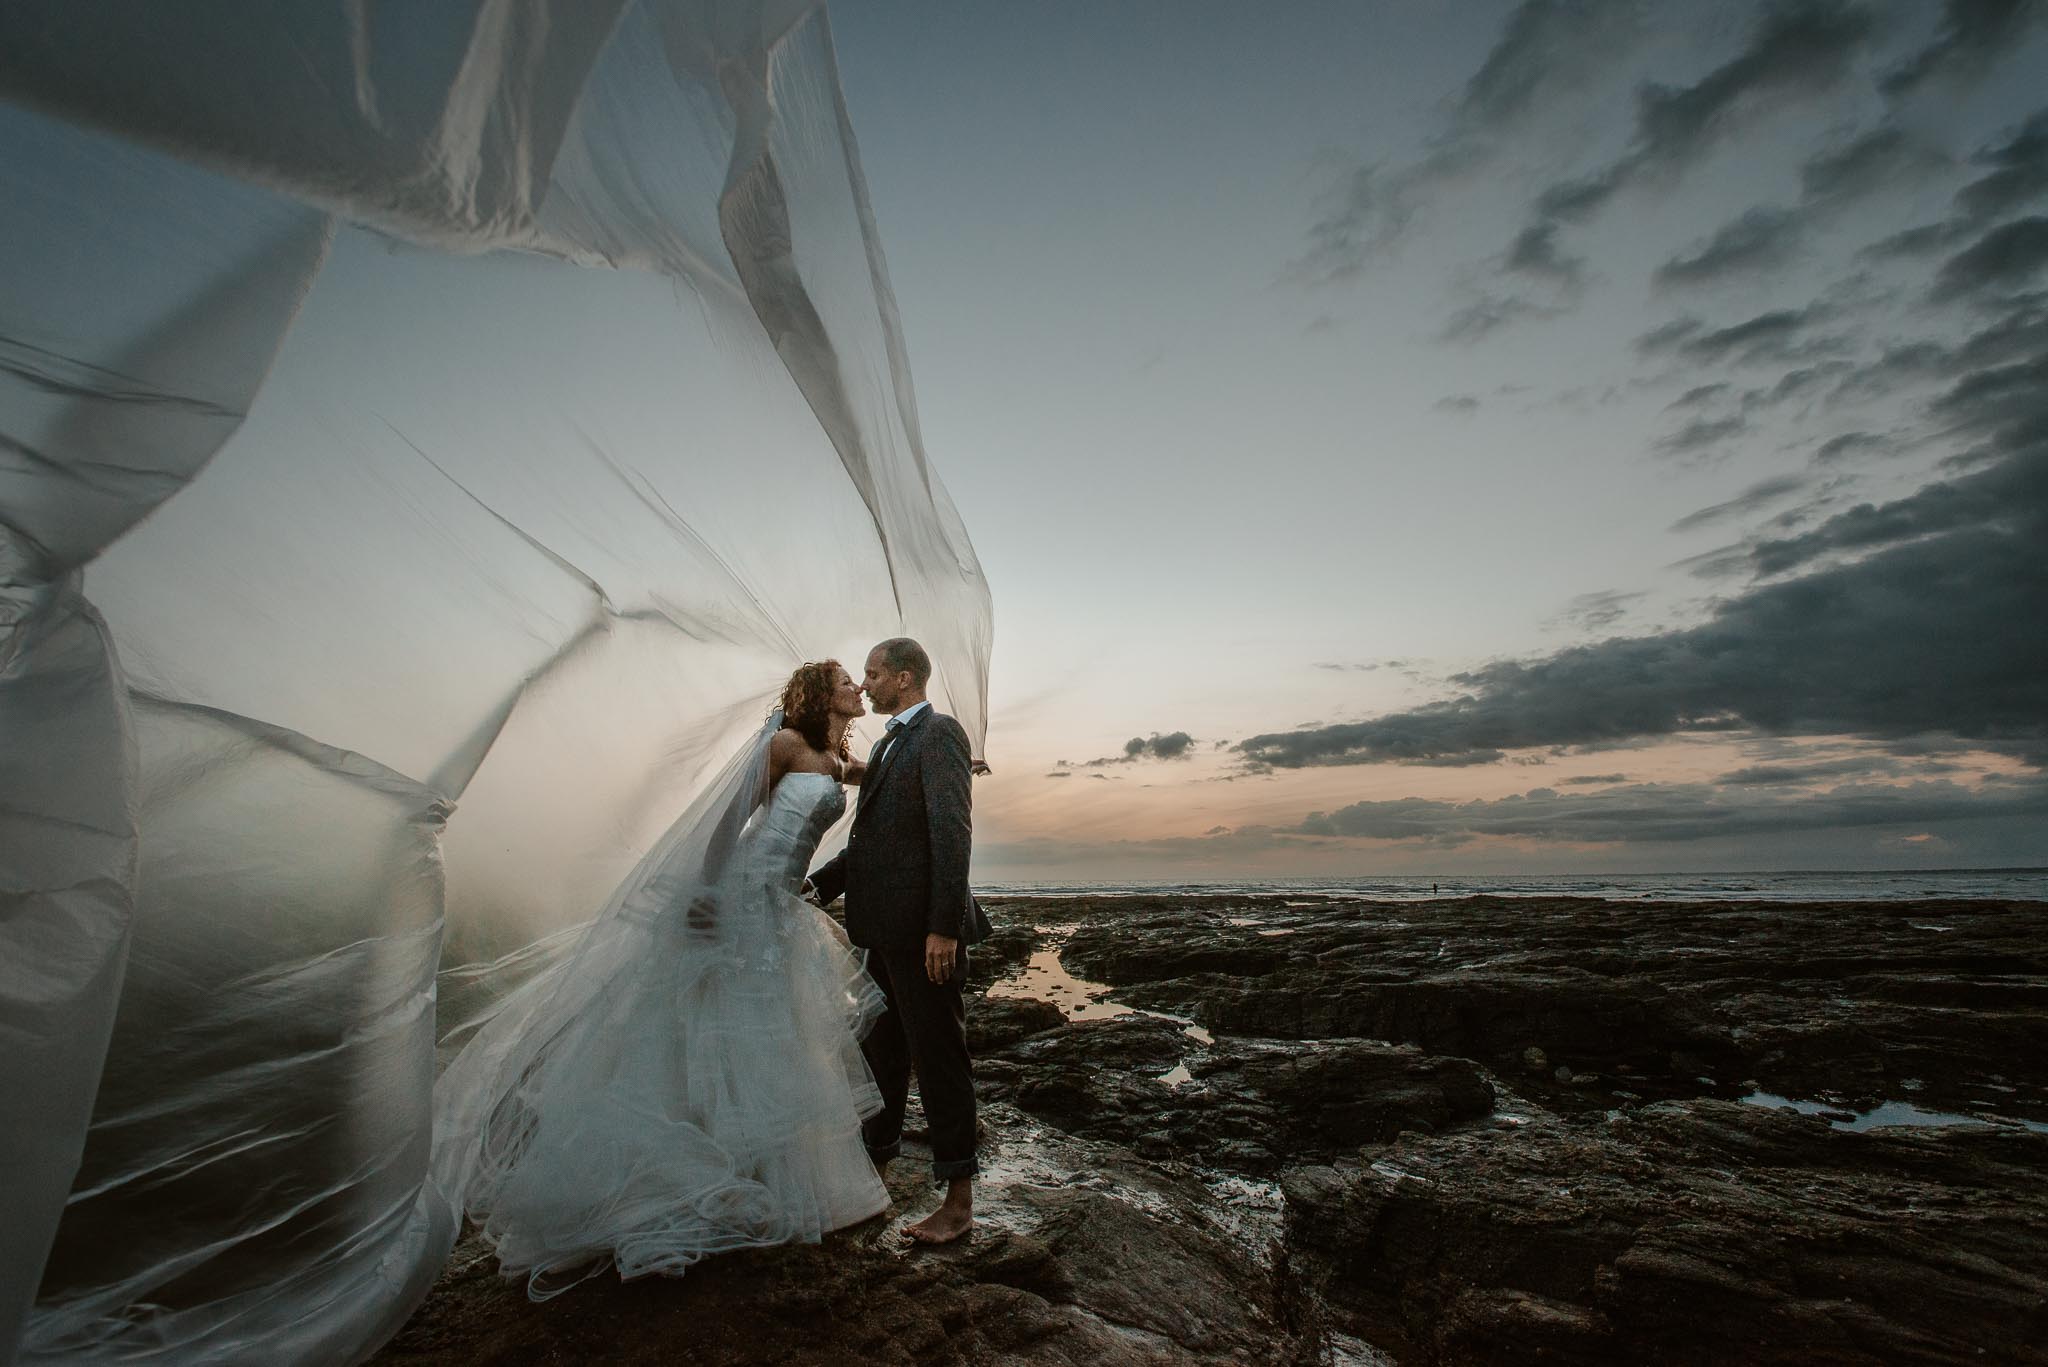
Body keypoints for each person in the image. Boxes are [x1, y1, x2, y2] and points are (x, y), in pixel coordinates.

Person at [431, 661, 890, 1299]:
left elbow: (866, 772)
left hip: (781, 908)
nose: (857, 687)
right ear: (821, 693)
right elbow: (729, 820)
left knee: (767, 1033)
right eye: (846, 678)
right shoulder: (784, 742)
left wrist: (941, 762)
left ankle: (761, 1175)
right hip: (739, 897)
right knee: (713, 1025)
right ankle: (682, 1180)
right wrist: (705, 894)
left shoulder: (830, 757)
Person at [807, 637, 991, 1244]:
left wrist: (943, 927)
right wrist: (813, 886)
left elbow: (952, 830)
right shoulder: (889, 744)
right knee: (879, 1053)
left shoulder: (939, 735)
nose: (865, 684)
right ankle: (876, 1177)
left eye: (874, 673)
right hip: (881, 932)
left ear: (906, 678)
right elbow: (871, 843)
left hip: (922, 935)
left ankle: (958, 1203)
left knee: (939, 1057)